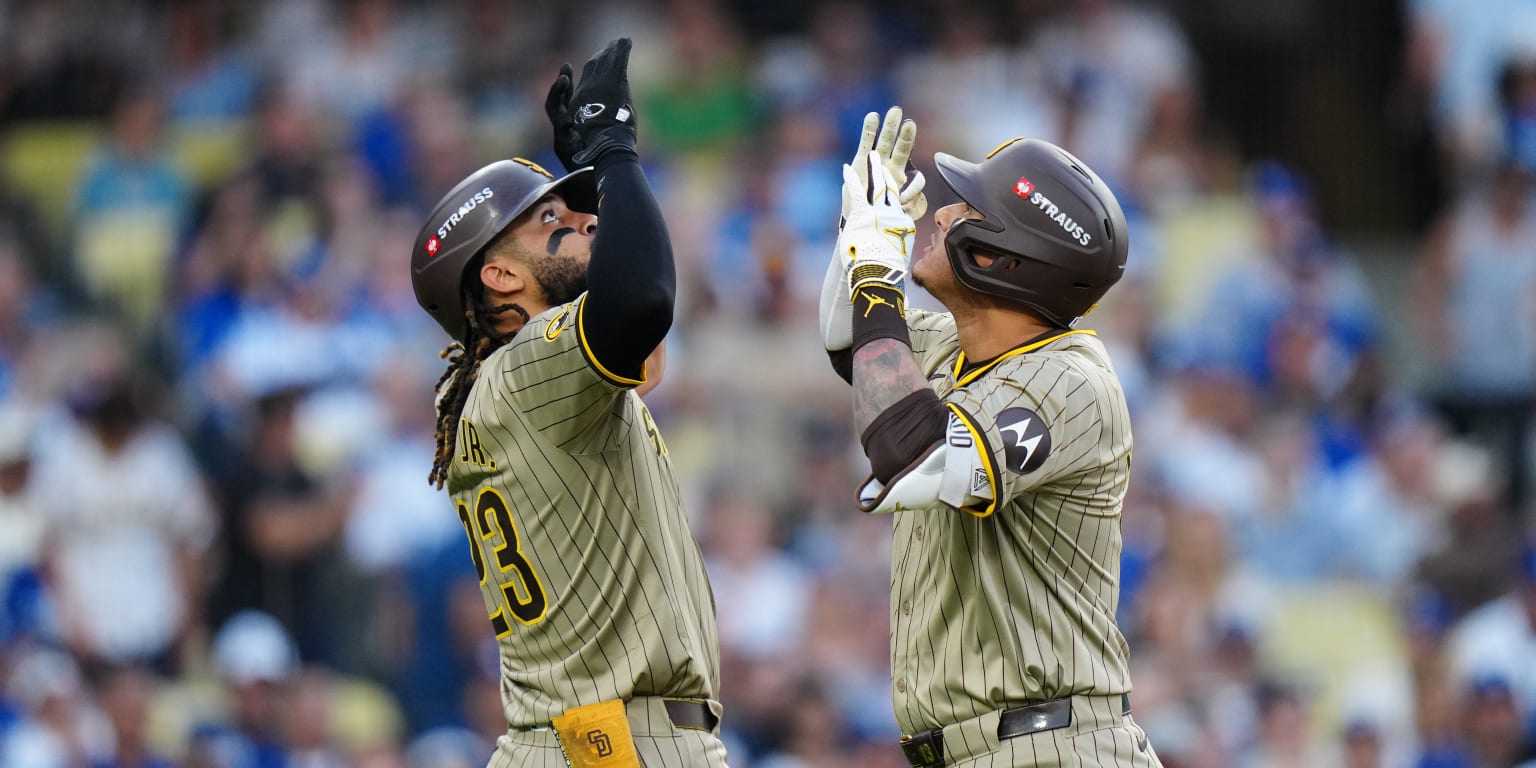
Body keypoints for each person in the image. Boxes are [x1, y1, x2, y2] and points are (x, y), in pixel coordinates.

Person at [408, 38, 726, 767]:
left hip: (573, 739)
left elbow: (641, 336)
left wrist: (588, 178)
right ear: (498, 275)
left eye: (587, 220)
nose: (586, 227)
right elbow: (642, 297)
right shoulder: (529, 367)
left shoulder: (499, 382)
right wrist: (614, 151)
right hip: (618, 745)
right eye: (553, 221)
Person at [820, 109, 1160, 767]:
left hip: (1054, 747)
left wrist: (875, 269)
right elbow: (849, 347)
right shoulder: (957, 346)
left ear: (1004, 258)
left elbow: (912, 456)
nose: (941, 215)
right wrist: (856, 237)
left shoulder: (1070, 380)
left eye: (967, 209)